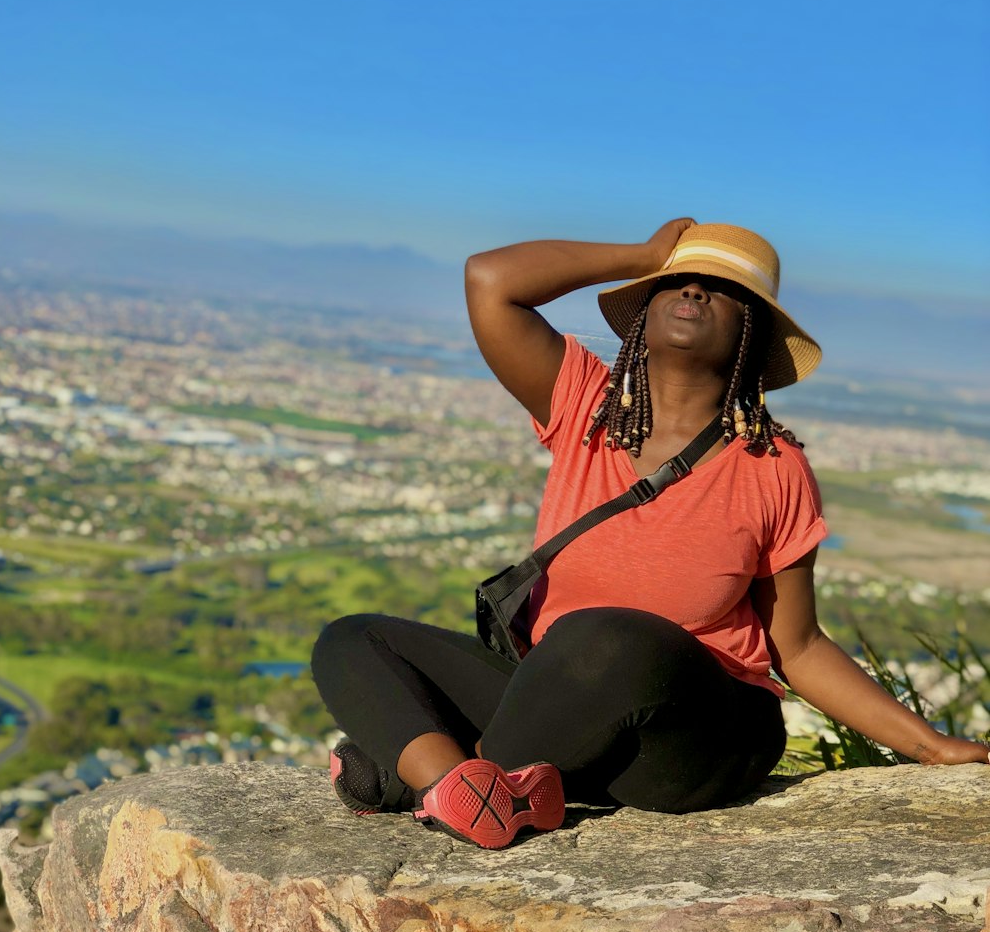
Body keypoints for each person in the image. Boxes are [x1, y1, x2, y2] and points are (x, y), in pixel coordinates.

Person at [312, 220, 989, 849]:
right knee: (352, 637)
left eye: (723, 288)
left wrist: (927, 745)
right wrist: (644, 256)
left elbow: (800, 645)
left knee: (606, 638)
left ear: (751, 331)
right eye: (679, 278)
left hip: (698, 734)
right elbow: (490, 281)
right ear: (645, 308)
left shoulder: (773, 467)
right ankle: (461, 789)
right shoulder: (583, 403)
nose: (694, 288)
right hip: (563, 701)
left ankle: (433, 776)